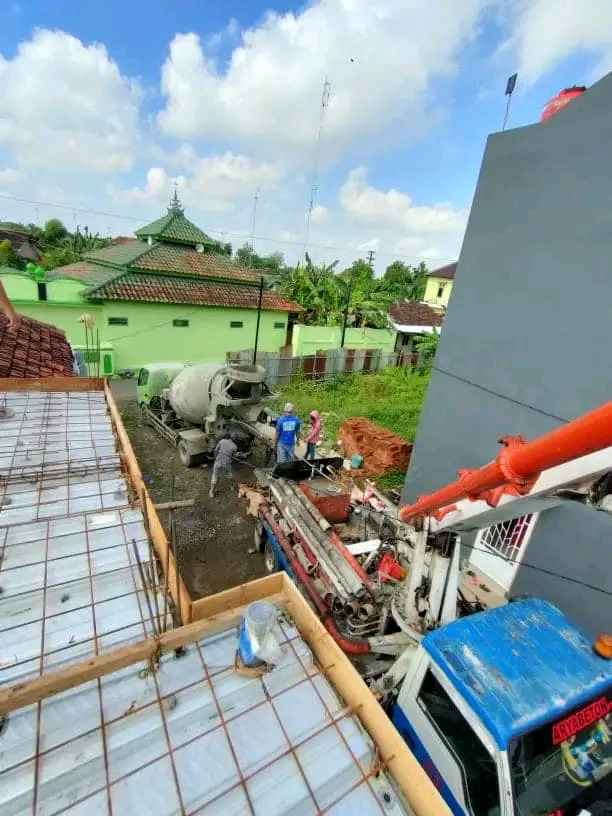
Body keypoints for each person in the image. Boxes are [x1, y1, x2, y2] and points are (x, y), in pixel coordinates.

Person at [209, 431, 237, 498]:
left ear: (230, 436)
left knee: (215, 476)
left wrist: (215, 459)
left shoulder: (222, 441)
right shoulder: (234, 446)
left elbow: (216, 450)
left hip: (218, 462)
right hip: (227, 464)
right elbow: (233, 456)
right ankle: (232, 486)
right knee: (229, 475)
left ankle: (211, 491)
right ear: (235, 439)